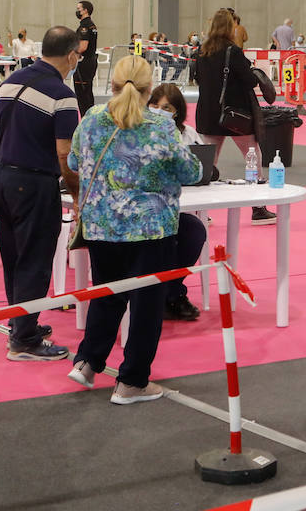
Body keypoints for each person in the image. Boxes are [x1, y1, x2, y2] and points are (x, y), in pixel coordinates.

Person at [65, 56, 203, 403]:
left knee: (107, 295)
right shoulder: (160, 124)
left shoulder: (92, 118)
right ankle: (132, 382)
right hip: (149, 228)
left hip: (101, 225)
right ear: (149, 88)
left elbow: (72, 161)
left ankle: (87, 362)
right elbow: (192, 172)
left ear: (112, 83)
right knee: (146, 306)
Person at [0, 25, 82, 361]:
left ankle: (21, 324)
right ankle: (25, 340)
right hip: (34, 181)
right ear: (71, 55)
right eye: (78, 56)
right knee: (35, 260)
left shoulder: (9, 81)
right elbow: (65, 153)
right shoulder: (62, 94)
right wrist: (76, 192)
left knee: (14, 256)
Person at [193, 8, 277, 225]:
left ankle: (200, 212)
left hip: (209, 114)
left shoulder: (201, 52)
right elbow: (249, 81)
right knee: (251, 156)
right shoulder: (234, 51)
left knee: (208, 163)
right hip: (235, 114)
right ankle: (257, 207)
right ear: (230, 27)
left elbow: (198, 79)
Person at [146, 82, 212, 321]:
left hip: (177, 206)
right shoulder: (140, 133)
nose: (159, 110)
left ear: (178, 111)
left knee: (194, 231)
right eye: (154, 105)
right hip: (144, 212)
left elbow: (205, 169)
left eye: (166, 107)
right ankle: (170, 294)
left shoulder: (188, 135)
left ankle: (170, 292)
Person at [73, 0, 98, 117]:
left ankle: (85, 120)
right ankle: (91, 118)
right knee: (87, 92)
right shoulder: (92, 25)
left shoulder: (84, 26)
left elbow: (83, 46)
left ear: (85, 10)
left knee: (82, 94)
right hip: (91, 61)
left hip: (84, 63)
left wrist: (70, 50)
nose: (77, 11)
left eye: (79, 8)